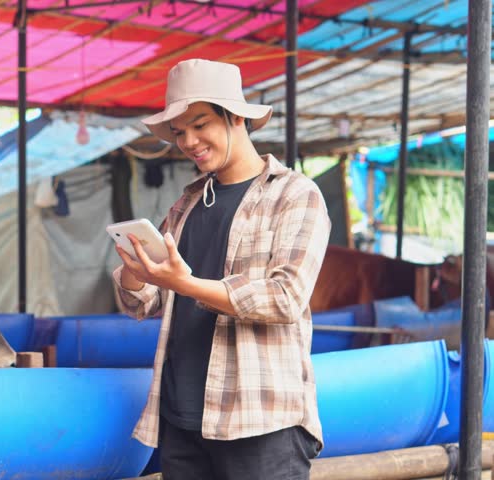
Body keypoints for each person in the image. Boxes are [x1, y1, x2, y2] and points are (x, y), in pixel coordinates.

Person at [112, 59, 331, 479]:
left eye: (200, 125)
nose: (189, 141)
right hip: (181, 418)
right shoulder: (186, 203)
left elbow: (284, 298)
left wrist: (188, 285)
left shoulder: (295, 194)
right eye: (178, 133)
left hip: (260, 420)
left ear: (235, 118)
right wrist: (135, 269)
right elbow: (141, 303)